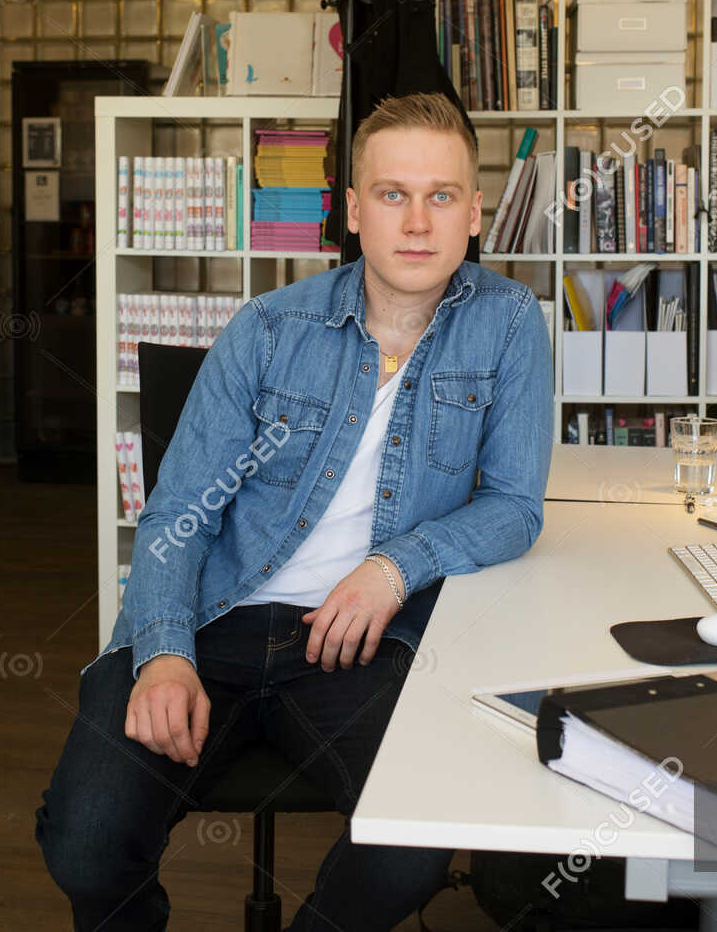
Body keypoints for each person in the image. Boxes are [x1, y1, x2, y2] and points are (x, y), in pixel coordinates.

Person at [36, 92, 553, 931]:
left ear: (474, 212)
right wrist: (165, 655)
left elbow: (514, 507)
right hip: (215, 621)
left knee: (415, 841)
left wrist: (395, 568)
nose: (417, 222)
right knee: (86, 844)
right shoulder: (270, 329)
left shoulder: (507, 327)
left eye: (441, 195)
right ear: (353, 211)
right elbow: (176, 515)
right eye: (392, 194)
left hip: (370, 644)